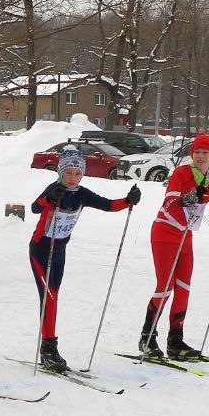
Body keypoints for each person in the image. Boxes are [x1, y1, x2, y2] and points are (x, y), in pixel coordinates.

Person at [140, 133, 209, 360]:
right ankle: (147, 337)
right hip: (164, 232)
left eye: (205, 152)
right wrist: (189, 198)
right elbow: (169, 203)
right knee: (165, 286)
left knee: (183, 287)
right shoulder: (181, 173)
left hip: (185, 237)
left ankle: (175, 340)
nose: (201, 156)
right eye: (197, 152)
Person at [29, 148, 140, 372]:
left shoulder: (82, 194)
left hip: (59, 251)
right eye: (68, 173)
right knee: (49, 297)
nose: (73, 178)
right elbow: (35, 207)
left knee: (53, 297)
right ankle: (49, 349)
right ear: (61, 172)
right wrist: (50, 199)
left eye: (77, 174)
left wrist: (128, 201)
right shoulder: (54, 189)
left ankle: (48, 348)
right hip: (41, 250)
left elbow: (107, 205)